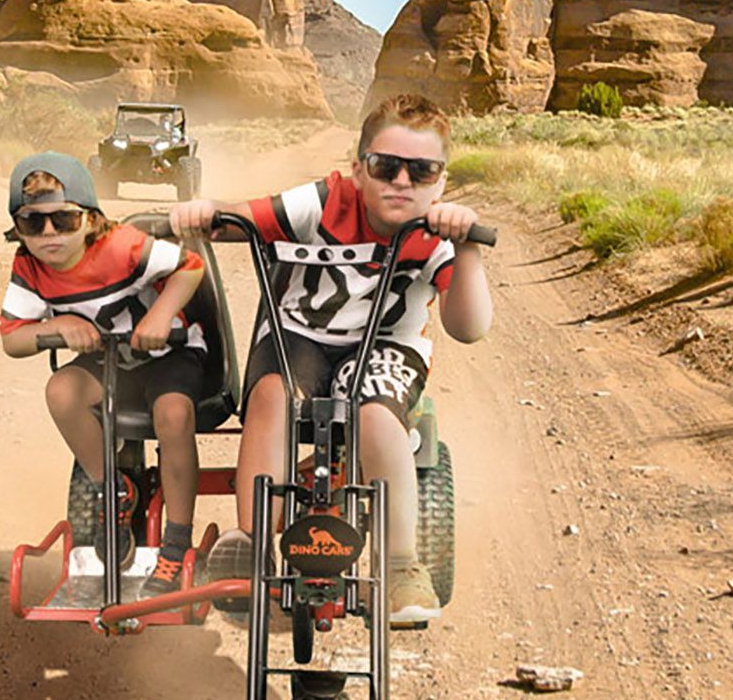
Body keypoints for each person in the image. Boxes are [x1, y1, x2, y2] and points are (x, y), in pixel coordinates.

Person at [169, 93, 494, 624]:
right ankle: (253, 541)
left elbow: (469, 327)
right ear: (359, 170)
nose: (402, 181)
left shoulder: (436, 233)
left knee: (377, 416)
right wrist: (205, 214)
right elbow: (246, 217)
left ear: (441, 181)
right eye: (385, 166)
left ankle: (401, 563)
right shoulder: (325, 201)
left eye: (421, 171)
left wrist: (468, 249)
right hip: (298, 335)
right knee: (270, 397)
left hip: (387, 344)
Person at [0, 151, 207, 596]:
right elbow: (12, 339)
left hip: (168, 354)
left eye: (64, 220)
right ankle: (111, 488)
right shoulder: (30, 267)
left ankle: (176, 544)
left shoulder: (121, 246)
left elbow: (190, 266)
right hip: (108, 360)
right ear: (18, 229)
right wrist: (57, 325)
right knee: (61, 391)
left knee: (173, 414)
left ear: (90, 219)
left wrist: (160, 315)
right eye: (32, 223)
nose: (49, 233)